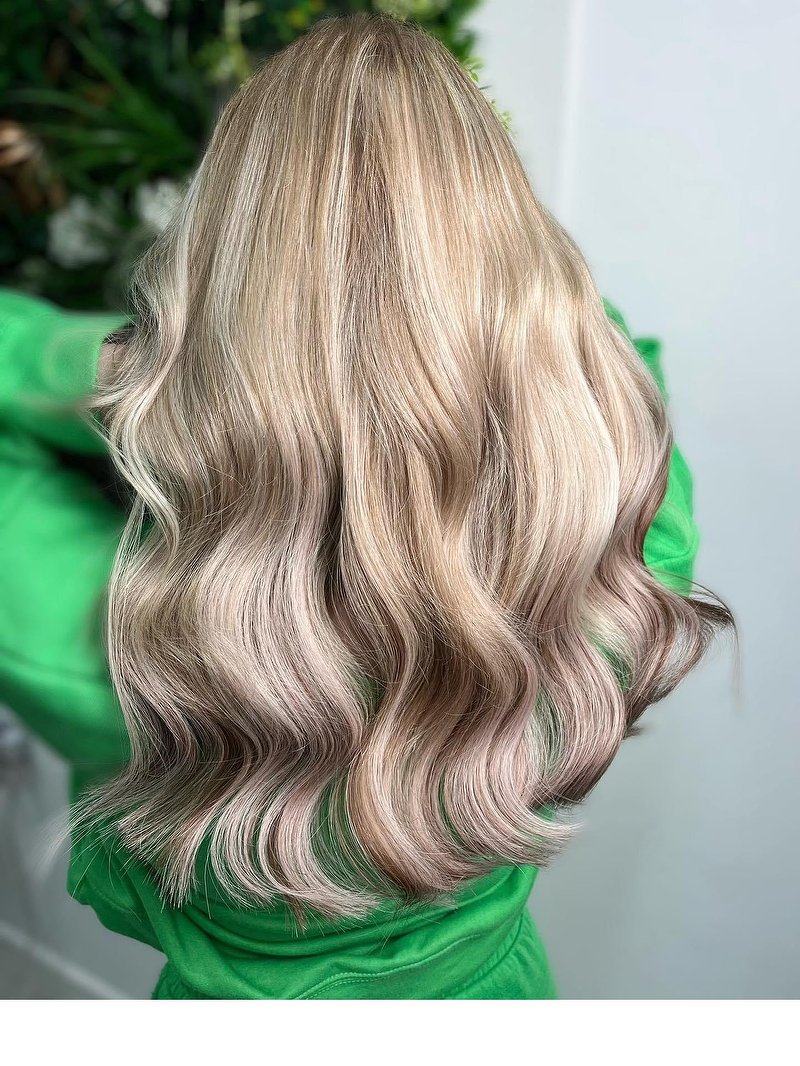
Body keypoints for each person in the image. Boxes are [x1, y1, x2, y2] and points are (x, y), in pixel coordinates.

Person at [0, 12, 733, 999]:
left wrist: (143, 373)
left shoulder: (128, 643)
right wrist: (476, 319)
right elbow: (616, 356)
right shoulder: (622, 551)